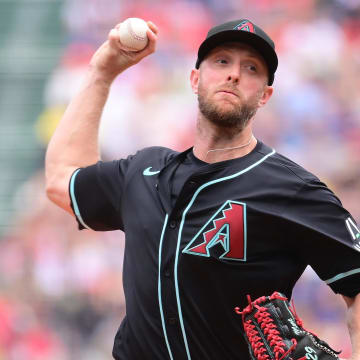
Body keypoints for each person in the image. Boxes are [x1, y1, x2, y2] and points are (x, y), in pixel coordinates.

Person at [45, 18, 360, 360]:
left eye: (251, 68)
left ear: (265, 96)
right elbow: (62, 178)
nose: (234, 74)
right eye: (222, 61)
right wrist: (101, 72)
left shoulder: (293, 189)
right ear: (195, 79)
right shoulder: (143, 171)